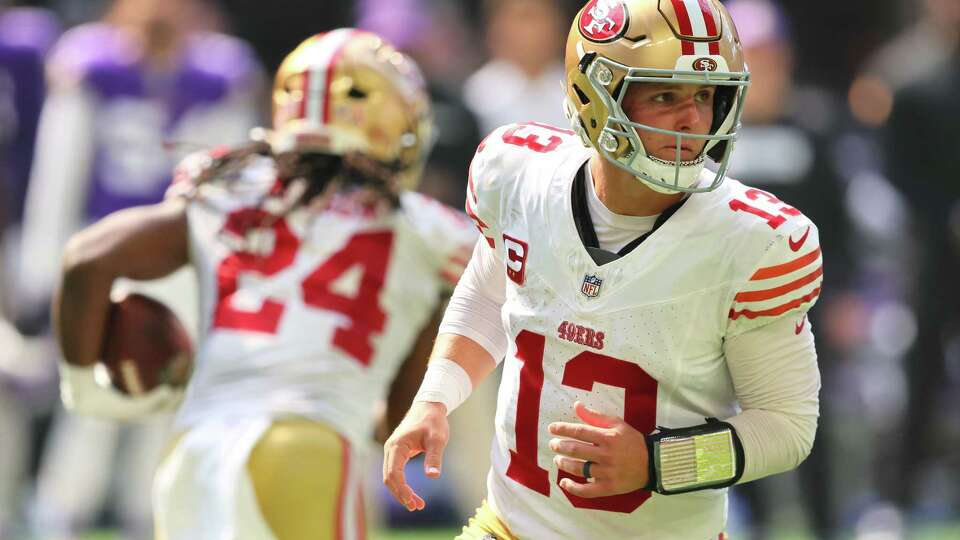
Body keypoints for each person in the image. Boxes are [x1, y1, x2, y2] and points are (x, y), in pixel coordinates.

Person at [383, 1, 823, 538]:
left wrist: (658, 463)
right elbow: (491, 295)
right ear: (596, 96)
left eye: (706, 96)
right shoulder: (520, 175)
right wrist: (436, 397)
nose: (693, 119)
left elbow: (787, 428)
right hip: (509, 526)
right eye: (664, 95)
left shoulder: (754, 241)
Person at [54, 29, 477, 540]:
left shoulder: (227, 191)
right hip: (308, 444)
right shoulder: (430, 232)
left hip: (193, 451)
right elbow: (398, 414)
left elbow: (85, 258)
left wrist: (86, 393)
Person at [18, 1, 262, 537]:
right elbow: (59, 171)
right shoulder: (90, 64)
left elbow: (230, 184)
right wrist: (42, 264)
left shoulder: (220, 72)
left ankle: (148, 511)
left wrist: (230, 269)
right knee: (88, 391)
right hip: (102, 253)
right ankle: (61, 509)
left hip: (177, 257)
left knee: (171, 388)